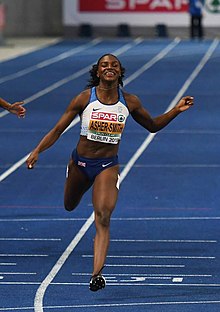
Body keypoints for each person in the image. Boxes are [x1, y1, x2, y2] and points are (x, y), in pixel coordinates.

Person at [26, 54, 194, 292]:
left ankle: (96, 274)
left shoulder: (130, 102)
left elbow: (153, 126)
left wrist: (176, 110)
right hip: (80, 164)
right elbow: (57, 129)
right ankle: (72, 175)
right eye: (105, 65)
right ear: (97, 72)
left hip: (107, 166)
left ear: (119, 72)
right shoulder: (84, 99)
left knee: (103, 216)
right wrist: (37, 151)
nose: (109, 67)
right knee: (69, 205)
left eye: (114, 65)